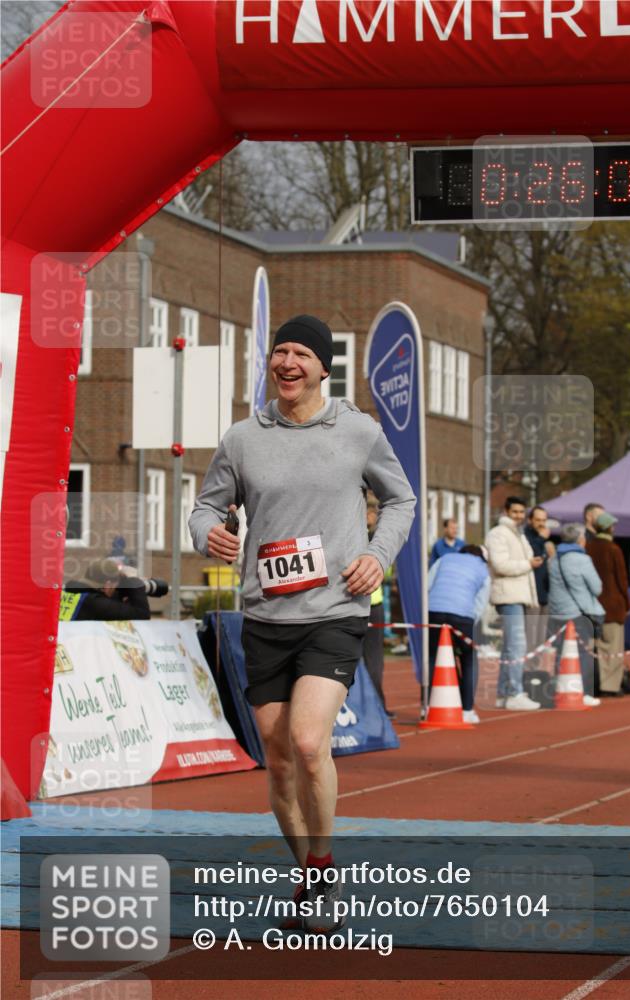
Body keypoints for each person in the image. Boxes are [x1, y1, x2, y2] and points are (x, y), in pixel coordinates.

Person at [189, 314, 415, 929]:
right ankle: (309, 880)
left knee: (311, 742)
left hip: (336, 610)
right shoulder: (242, 438)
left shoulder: (358, 431)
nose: (287, 363)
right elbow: (208, 504)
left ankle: (324, 866)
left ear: (322, 367)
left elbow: (401, 499)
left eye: (300, 354)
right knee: (280, 757)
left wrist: (376, 553)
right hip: (265, 614)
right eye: (278, 352)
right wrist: (205, 531)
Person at [485, 496, 542, 711]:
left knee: (511, 647)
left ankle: (504, 693)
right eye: (515, 512)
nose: (519, 516)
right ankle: (514, 692)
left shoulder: (518, 534)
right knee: (516, 645)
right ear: (506, 511)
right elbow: (500, 565)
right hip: (508, 595)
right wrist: (528, 564)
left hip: (518, 595)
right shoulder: (498, 534)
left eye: (522, 512)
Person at [427, 544, 490, 724]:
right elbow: (481, 602)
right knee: (469, 660)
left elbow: (428, 584)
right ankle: (467, 709)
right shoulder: (482, 568)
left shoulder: (444, 559)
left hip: (434, 611)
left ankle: (429, 706)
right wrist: (470, 621)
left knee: (433, 657)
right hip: (462, 614)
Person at [547, 523, 603, 706]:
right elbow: (597, 587)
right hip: (577, 612)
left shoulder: (553, 559)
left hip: (556, 612)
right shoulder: (582, 560)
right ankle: (584, 692)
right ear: (580, 539)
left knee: (561, 653)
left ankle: (562, 689)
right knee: (583, 653)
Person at [587, 512, 630, 696]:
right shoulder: (613, 549)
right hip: (612, 606)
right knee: (613, 648)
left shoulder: (587, 547)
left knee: (594, 647)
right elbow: (622, 579)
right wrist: (627, 603)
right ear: (609, 527)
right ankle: (610, 686)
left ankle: (594, 683)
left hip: (591, 606)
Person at [361, 501, 392, 716]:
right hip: (371, 604)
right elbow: (386, 573)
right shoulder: (375, 540)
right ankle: (377, 708)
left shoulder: (340, 535)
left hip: (350, 604)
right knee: (372, 659)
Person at [59, 558, 151, 621]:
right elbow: (142, 614)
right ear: (108, 585)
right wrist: (133, 579)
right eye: (116, 585)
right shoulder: (95, 603)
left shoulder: (68, 592)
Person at [524, 505, 555, 655]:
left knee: (540, 639)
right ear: (530, 520)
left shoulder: (544, 540)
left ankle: (536, 672)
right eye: (538, 520)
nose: (542, 523)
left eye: (544, 520)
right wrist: (542, 539)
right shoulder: (526, 537)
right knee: (530, 636)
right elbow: (531, 555)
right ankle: (527, 673)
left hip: (544, 593)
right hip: (531, 594)